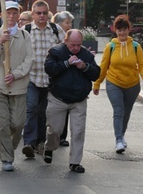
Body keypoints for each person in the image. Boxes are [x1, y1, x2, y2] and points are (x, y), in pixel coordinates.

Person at [0, 0, 34, 171]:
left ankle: (8, 146)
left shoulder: (25, 36)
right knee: (3, 123)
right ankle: (6, 158)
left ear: (19, 15)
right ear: (2, 15)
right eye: (7, 13)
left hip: (18, 86)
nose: (11, 16)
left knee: (18, 123)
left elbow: (29, 60)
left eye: (14, 13)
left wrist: (16, 74)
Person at [43, 29, 100, 173]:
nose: (76, 48)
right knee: (54, 130)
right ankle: (49, 147)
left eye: (78, 45)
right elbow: (50, 69)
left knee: (78, 131)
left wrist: (84, 67)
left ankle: (75, 162)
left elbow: (96, 74)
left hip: (79, 99)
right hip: (58, 97)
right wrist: (66, 63)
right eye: (72, 45)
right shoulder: (55, 52)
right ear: (65, 41)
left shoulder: (86, 54)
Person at [93, 15, 143, 153]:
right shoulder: (110, 47)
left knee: (126, 111)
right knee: (118, 111)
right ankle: (118, 140)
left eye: (124, 29)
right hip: (114, 82)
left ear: (129, 30)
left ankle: (122, 134)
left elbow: (142, 64)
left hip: (132, 84)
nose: (122, 33)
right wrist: (97, 83)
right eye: (119, 30)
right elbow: (104, 66)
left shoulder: (136, 47)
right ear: (115, 30)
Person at [22, 0, 65, 158]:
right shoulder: (26, 30)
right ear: (32, 14)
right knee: (31, 108)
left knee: (43, 112)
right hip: (31, 78)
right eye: (38, 13)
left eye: (44, 13)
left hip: (51, 80)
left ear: (48, 14)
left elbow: (66, 48)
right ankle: (28, 142)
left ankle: (40, 142)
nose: (41, 16)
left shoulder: (56, 29)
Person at [52, 10, 74, 146]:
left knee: (66, 107)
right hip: (57, 74)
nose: (70, 25)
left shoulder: (73, 38)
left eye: (70, 22)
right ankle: (54, 134)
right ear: (59, 24)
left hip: (69, 77)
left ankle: (62, 136)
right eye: (67, 23)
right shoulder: (56, 35)